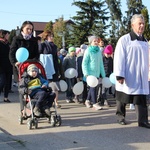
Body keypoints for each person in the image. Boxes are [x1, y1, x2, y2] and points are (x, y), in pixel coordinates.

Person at [114, 14, 150, 128]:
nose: (142, 25)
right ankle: (121, 117)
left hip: (141, 75)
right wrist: (119, 74)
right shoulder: (125, 40)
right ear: (132, 25)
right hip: (128, 74)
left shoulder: (145, 41)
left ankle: (143, 120)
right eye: (139, 23)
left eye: (143, 23)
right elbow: (119, 57)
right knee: (122, 97)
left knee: (141, 98)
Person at [82, 35, 106, 110]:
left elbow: (101, 63)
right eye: (94, 41)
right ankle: (95, 103)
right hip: (90, 74)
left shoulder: (98, 51)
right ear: (90, 42)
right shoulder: (88, 51)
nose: (96, 42)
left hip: (97, 73)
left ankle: (87, 100)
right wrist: (86, 74)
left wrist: (103, 74)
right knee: (93, 88)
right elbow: (84, 63)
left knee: (94, 87)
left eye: (97, 41)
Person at [39, 30, 62, 108]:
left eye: (52, 36)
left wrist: (58, 69)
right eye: (50, 36)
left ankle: (56, 102)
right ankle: (47, 101)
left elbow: (56, 58)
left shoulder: (54, 46)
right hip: (45, 68)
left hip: (54, 67)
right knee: (47, 85)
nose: (52, 38)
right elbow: (39, 56)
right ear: (46, 37)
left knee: (55, 85)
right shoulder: (42, 45)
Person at [0, 29, 13, 102]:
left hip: (8, 65)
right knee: (2, 81)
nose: (8, 36)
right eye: (7, 34)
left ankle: (6, 97)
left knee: (8, 83)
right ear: (3, 35)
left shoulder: (8, 44)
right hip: (1, 66)